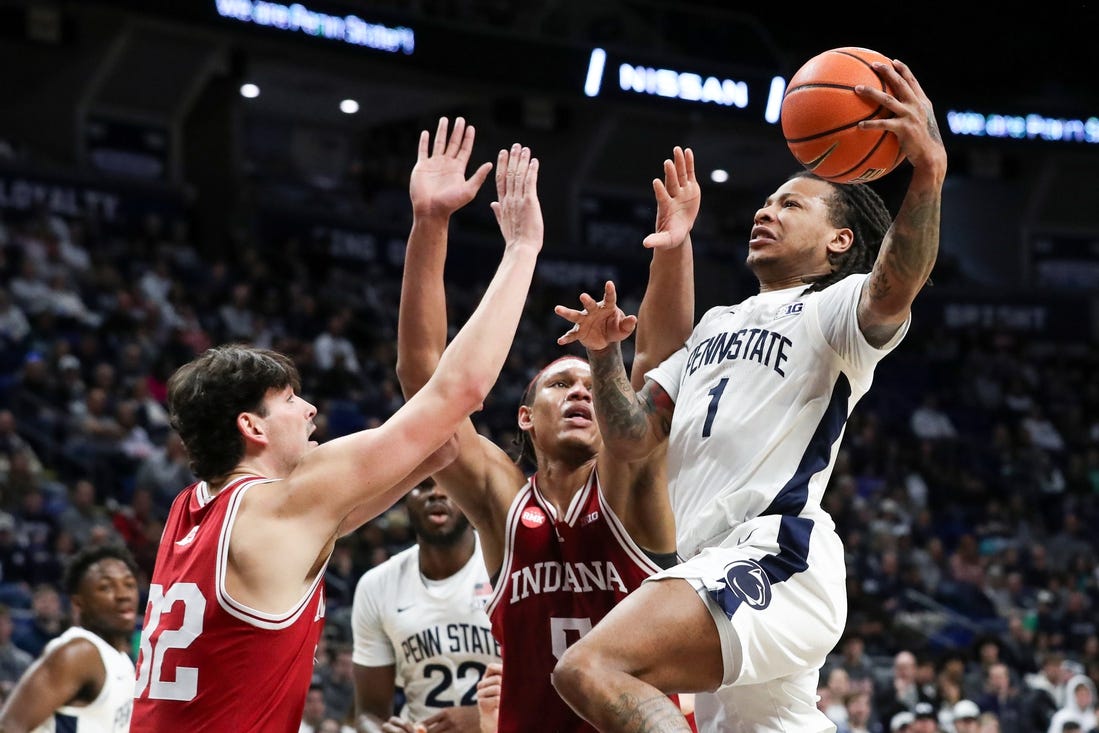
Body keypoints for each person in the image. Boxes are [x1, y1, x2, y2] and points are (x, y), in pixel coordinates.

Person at [551, 56, 946, 732]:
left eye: (791, 203)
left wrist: (928, 171)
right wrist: (603, 355)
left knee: (589, 667)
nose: (767, 209)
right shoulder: (716, 323)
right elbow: (631, 436)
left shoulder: (835, 312)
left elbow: (895, 282)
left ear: (838, 241)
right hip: (709, 558)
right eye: (766, 202)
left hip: (773, 552)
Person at [128, 137, 545, 732]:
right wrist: (524, 247)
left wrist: (430, 225)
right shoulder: (283, 501)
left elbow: (440, 440)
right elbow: (460, 393)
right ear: (251, 427)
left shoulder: (191, 511)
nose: (311, 410)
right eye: (291, 401)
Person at [395, 117, 697, 733]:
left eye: (591, 386)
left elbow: (660, 366)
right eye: (563, 384)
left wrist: (674, 251)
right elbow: (425, 382)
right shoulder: (502, 502)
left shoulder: (628, 483)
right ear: (526, 418)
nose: (583, 393)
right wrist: (430, 225)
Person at [351, 479, 499, 733]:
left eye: (448, 485)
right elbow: (369, 712)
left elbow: (546, 685)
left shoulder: (506, 567)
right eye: (425, 485)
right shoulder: (376, 584)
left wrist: (486, 718)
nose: (437, 493)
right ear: (407, 498)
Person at [0, 545, 138, 732]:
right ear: (78, 603)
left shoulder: (121, 659)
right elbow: (8, 726)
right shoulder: (80, 652)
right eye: (105, 587)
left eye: (129, 584)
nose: (123, 595)